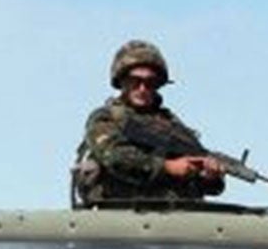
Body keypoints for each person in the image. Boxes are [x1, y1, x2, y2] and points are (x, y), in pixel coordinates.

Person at [73, 40, 226, 206]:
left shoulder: (173, 127)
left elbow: (207, 186)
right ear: (122, 81)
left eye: (150, 83)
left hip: (176, 220)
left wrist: (208, 176)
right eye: (135, 81)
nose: (142, 89)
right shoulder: (107, 118)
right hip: (120, 214)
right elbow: (116, 157)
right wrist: (167, 167)